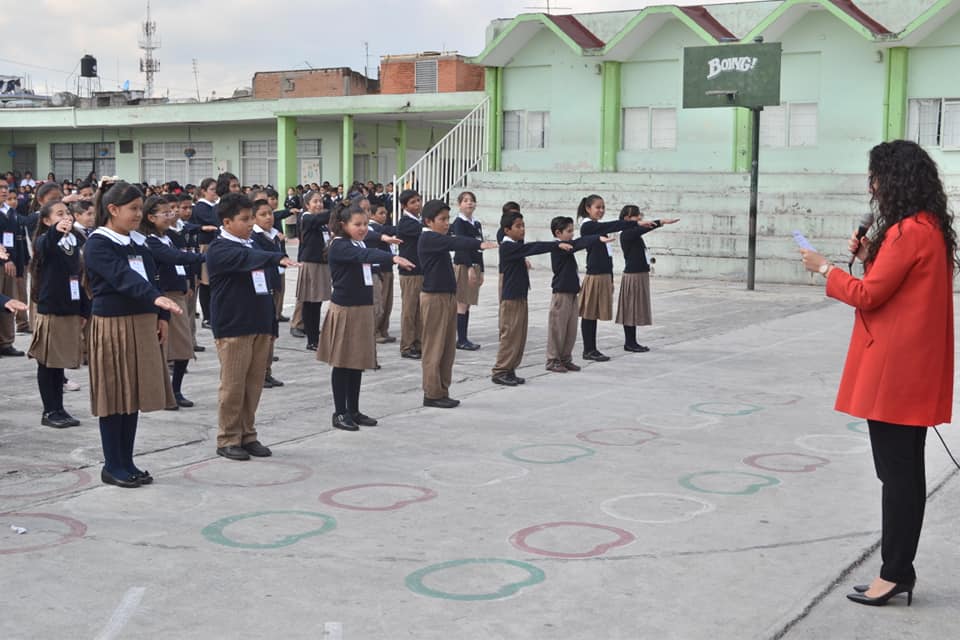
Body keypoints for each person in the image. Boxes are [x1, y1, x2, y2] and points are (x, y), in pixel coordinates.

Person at [800, 139, 955, 607]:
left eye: (875, 178)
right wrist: (870, 255)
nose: (872, 187)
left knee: (899, 476)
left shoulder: (909, 231)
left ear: (894, 180)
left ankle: (896, 572)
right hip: (911, 365)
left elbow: (868, 296)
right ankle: (896, 569)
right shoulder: (927, 227)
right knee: (902, 472)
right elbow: (892, 283)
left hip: (896, 368)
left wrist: (825, 268)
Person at [84, 181, 182, 488]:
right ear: (113, 209)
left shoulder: (137, 243)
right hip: (114, 324)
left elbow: (153, 279)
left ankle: (127, 462)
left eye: (141, 208)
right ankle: (112, 465)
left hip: (142, 322)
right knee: (115, 395)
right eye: (133, 209)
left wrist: (162, 315)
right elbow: (122, 277)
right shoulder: (99, 243)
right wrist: (155, 299)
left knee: (133, 394)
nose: (139, 214)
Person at [205, 193, 297, 461]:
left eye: (250, 219)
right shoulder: (220, 248)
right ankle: (228, 438)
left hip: (259, 323)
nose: (249, 224)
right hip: (234, 326)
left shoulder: (251, 244)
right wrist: (275, 258)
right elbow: (250, 257)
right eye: (244, 219)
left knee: (253, 385)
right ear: (226, 222)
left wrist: (271, 326)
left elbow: (266, 285)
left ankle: (248, 434)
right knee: (233, 387)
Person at [317, 205, 414, 430]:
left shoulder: (357, 242)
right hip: (346, 310)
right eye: (357, 225)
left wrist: (384, 240)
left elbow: (370, 243)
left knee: (357, 362)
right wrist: (393, 258)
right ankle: (340, 412)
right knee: (343, 363)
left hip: (361, 309)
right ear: (343, 225)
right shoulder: (339, 245)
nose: (362, 229)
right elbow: (365, 255)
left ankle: (354, 410)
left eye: (365, 224)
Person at [417, 199, 497, 407]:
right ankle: (432, 393)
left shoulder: (438, 238)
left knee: (447, 348)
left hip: (447, 296)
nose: (447, 223)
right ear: (428, 221)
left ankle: (442, 390)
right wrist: (479, 244)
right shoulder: (428, 238)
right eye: (442, 220)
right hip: (434, 298)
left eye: (448, 219)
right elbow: (455, 242)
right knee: (434, 347)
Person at [492, 209, 572, 386]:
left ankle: (510, 369)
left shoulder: (516, 246)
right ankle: (500, 371)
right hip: (511, 299)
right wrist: (555, 245)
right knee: (510, 336)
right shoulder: (507, 247)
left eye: (523, 225)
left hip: (520, 296)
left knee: (519, 337)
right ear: (507, 230)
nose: (522, 229)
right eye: (518, 226)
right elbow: (533, 247)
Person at [27, 200, 88, 427]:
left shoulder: (72, 241)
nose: (66, 217)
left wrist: (83, 309)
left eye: (67, 213)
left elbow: (79, 277)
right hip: (51, 308)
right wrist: (56, 229)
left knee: (59, 362)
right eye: (59, 214)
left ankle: (60, 408)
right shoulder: (45, 240)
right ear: (46, 220)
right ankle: (49, 411)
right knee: (47, 362)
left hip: (69, 307)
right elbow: (46, 243)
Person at [141, 196, 205, 409]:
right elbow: (175, 257)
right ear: (151, 217)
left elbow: (180, 257)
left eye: (171, 212)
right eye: (166, 213)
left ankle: (175, 390)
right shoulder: (149, 241)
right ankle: (166, 393)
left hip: (179, 293)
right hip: (164, 295)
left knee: (183, 347)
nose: (171, 216)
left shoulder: (169, 237)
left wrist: (187, 283)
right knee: (167, 348)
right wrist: (204, 257)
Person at [577, 195, 656, 362]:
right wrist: (635, 223)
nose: (601, 210)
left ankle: (592, 349)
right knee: (589, 314)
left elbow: (607, 255)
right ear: (588, 208)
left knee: (593, 313)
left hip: (603, 274)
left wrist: (611, 278)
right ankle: (589, 349)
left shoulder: (598, 226)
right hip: (595, 274)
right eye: (598, 207)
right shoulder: (588, 226)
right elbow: (611, 225)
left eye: (603, 207)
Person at [546, 216, 613, 373]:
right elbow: (578, 243)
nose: (572, 234)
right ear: (558, 233)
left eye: (572, 231)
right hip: (561, 293)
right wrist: (597, 238)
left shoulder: (567, 245)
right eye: (569, 231)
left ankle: (565, 358)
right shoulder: (558, 247)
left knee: (570, 329)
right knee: (558, 329)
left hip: (572, 292)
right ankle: (553, 360)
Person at [616, 206, 679, 352]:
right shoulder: (626, 233)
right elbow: (642, 229)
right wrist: (661, 222)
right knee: (630, 309)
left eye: (639, 215)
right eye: (635, 216)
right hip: (633, 275)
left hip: (640, 274)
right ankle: (629, 342)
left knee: (635, 309)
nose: (639, 218)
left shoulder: (633, 234)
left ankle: (632, 341)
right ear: (626, 218)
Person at [251, 198, 286, 388]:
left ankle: (267, 371)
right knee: (262, 333)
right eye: (262, 214)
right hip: (260, 288)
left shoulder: (273, 234)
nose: (268, 218)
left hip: (273, 283)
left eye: (270, 213)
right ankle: (259, 373)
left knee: (272, 331)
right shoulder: (254, 238)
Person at [296, 190, 332, 351]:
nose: (319, 204)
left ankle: (314, 334)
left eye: (321, 201)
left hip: (322, 263)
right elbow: (321, 218)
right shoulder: (306, 217)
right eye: (315, 201)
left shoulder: (321, 222)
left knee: (317, 302)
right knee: (310, 302)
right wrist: (338, 210)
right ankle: (312, 339)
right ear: (307, 205)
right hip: (311, 263)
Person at [450, 191, 485, 351]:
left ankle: (464, 337)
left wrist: (481, 270)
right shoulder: (459, 223)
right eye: (465, 200)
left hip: (475, 265)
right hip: (464, 265)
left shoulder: (476, 223)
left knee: (468, 302)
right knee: (462, 303)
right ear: (459, 204)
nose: (469, 203)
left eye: (472, 200)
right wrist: (470, 267)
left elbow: (480, 247)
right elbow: (461, 246)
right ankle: (461, 339)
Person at [396, 189, 424, 359]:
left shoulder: (418, 220)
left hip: (421, 270)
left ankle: (418, 343)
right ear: (404, 206)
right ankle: (406, 346)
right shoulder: (406, 223)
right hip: (409, 272)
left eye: (418, 200)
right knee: (409, 310)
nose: (417, 204)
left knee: (419, 311)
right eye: (413, 202)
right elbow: (424, 230)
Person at [190, 178, 220, 328]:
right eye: (212, 189)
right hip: (206, 245)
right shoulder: (201, 207)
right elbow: (215, 220)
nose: (215, 192)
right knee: (206, 282)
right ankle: (207, 317)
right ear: (203, 191)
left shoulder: (214, 205)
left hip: (215, 244)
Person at [0, 176, 25, 356]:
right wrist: (5, 260)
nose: (3, 190)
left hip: (11, 264)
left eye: (5, 187)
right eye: (0, 187)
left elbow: (18, 240)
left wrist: (19, 264)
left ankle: (6, 342)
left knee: (9, 303)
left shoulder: (11, 212)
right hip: (3, 262)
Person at [368, 205, 397, 343]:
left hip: (389, 268)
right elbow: (388, 231)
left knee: (388, 302)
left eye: (385, 213)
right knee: (381, 301)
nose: (384, 216)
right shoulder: (373, 228)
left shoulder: (381, 228)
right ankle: (376, 331)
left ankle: (384, 329)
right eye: (381, 213)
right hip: (381, 269)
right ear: (372, 215)